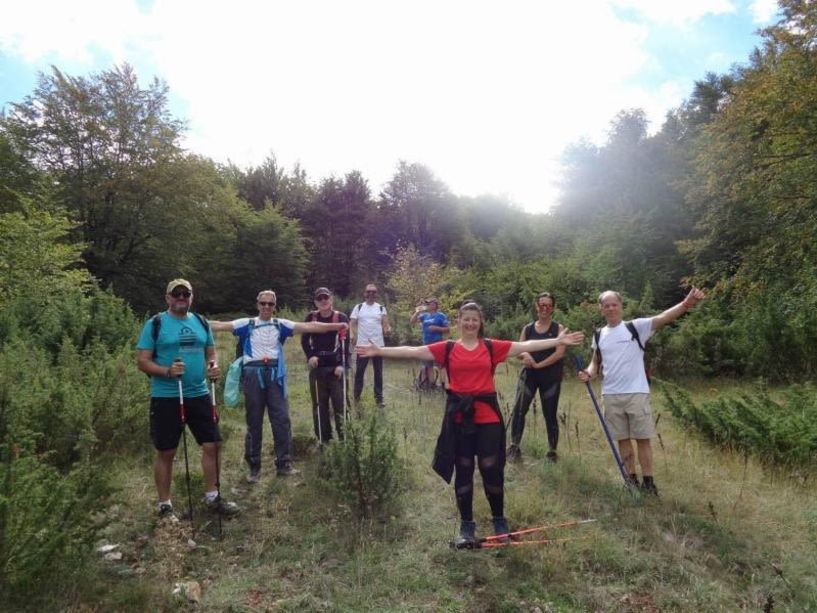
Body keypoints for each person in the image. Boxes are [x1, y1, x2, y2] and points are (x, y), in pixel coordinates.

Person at [356, 302, 584, 545]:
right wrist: (379, 351)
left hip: (487, 417)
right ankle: (467, 525)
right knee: (463, 468)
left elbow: (525, 345)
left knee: (490, 468)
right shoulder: (447, 348)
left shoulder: (490, 347)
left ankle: (499, 520)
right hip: (458, 418)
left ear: (480, 322)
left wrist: (557, 341)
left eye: (475, 319)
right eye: (466, 319)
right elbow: (413, 351)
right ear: (458, 321)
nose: (470, 323)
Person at [578, 287, 706, 495]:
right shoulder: (599, 335)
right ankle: (631, 479)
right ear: (601, 309)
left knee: (642, 438)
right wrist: (588, 373)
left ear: (621, 306)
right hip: (610, 395)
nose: (611, 308)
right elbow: (595, 363)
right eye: (606, 305)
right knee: (622, 439)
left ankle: (649, 482)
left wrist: (685, 304)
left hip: (636, 393)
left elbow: (663, 317)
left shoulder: (635, 327)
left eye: (614, 304)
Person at [209, 290, 347, 482]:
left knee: (281, 419)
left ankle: (284, 464)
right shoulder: (245, 323)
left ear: (275, 306)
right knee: (254, 421)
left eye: (270, 304)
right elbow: (219, 326)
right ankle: (254, 467)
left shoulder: (280, 324)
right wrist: (193, 322)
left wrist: (338, 325)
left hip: (275, 375)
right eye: (263, 303)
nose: (266, 307)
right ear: (257, 304)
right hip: (253, 374)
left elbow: (310, 326)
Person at [136, 279, 239, 519]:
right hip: (166, 396)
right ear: (168, 298)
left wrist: (213, 365)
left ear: (192, 297)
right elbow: (142, 361)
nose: (181, 297)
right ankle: (165, 504)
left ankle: (213, 496)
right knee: (167, 450)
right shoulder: (156, 323)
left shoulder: (201, 322)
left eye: (186, 293)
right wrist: (167, 371)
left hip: (200, 393)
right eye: (177, 293)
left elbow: (211, 352)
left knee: (213, 443)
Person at [508, 292, 565, 463]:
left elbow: (559, 353)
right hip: (529, 376)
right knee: (519, 410)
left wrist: (539, 365)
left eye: (548, 305)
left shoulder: (558, 329)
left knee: (550, 414)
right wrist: (526, 356)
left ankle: (552, 451)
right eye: (542, 305)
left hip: (550, 377)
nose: (544, 308)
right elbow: (519, 348)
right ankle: (514, 446)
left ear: (553, 308)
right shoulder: (528, 328)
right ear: (536, 306)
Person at [301, 287, 350, 443]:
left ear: (331, 299)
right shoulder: (310, 317)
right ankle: (324, 439)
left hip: (336, 369)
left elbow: (346, 344)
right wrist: (310, 356)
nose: (323, 301)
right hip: (317, 368)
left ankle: (344, 438)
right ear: (316, 302)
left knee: (340, 404)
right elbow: (304, 340)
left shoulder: (341, 317)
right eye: (320, 299)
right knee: (319, 406)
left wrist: (343, 365)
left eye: (326, 298)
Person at [350, 283, 391, 408]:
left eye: (373, 292)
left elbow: (386, 324)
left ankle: (379, 399)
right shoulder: (359, 307)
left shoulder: (381, 308)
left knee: (378, 372)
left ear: (376, 294)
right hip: (362, 345)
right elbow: (351, 323)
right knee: (359, 372)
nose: (371, 294)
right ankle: (356, 397)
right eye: (369, 291)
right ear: (365, 293)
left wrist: (388, 329)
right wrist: (351, 333)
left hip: (378, 345)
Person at [409, 297, 450, 389]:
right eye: (427, 304)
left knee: (441, 365)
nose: (428, 305)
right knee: (428, 365)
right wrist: (417, 312)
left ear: (435, 305)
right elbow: (412, 322)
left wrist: (437, 328)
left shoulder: (441, 315)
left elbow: (447, 329)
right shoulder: (424, 316)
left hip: (437, 343)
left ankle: (444, 385)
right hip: (426, 344)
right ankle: (431, 385)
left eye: (430, 303)